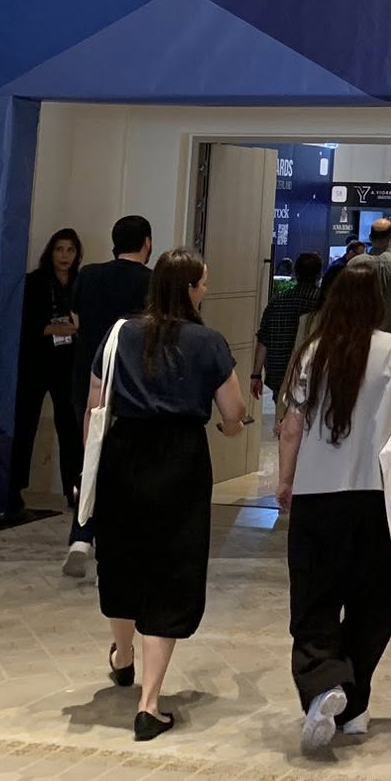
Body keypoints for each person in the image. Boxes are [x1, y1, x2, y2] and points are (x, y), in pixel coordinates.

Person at [276, 255, 391, 752]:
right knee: (376, 604)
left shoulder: (312, 353)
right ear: (378, 303)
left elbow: (291, 427)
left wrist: (284, 481)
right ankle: (353, 701)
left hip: (318, 497)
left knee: (314, 601)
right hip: (380, 501)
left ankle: (328, 686)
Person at [86, 247, 249, 741]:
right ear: (190, 289)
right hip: (180, 460)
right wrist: (231, 428)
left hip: (122, 455)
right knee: (170, 568)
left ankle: (123, 655)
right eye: (203, 283)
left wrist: (88, 471)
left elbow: (95, 405)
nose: (206, 290)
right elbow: (234, 409)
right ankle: (149, 705)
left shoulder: (120, 333)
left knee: (121, 557)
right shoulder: (208, 341)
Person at [65, 214, 156, 577]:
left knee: (91, 456)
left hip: (87, 375)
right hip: (133, 382)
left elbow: (76, 321)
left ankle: (81, 536)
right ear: (147, 243)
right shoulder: (152, 282)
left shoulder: (88, 275)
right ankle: (121, 541)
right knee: (131, 464)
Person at [8, 228, 83, 515]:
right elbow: (24, 323)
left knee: (71, 427)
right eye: (59, 249)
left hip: (68, 363)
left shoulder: (79, 282)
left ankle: (74, 489)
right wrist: (54, 328)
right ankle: (13, 487)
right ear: (50, 252)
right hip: (36, 362)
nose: (65, 256)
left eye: (70, 250)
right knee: (25, 424)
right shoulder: (35, 282)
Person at [252, 251, 323, 412]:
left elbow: (263, 339)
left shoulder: (277, 301)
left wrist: (256, 375)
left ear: (295, 273)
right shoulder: (323, 303)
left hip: (279, 374)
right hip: (312, 376)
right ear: (319, 274)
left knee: (282, 418)